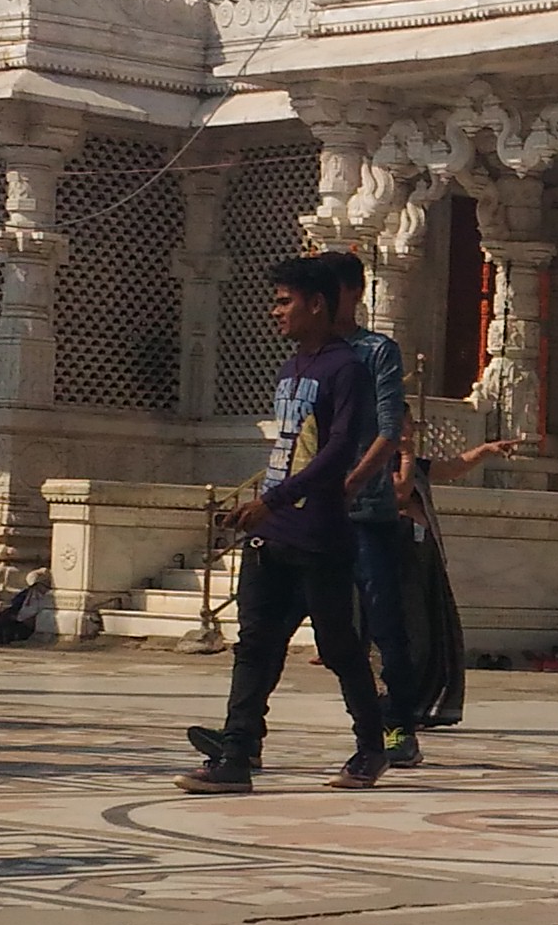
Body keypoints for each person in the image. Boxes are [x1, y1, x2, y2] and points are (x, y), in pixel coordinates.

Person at [174, 253, 393, 792]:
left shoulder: (347, 370)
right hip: (272, 533)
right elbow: (290, 449)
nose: (275, 312)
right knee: (255, 646)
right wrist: (261, 505)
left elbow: (338, 452)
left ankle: (372, 746)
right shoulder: (292, 368)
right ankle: (238, 752)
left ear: (316, 304)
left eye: (283, 301)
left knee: (340, 647)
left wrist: (277, 501)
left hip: (319, 535)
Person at [324, 258, 426, 765]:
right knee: (271, 624)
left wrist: (350, 484)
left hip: (366, 511)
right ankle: (244, 734)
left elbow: (391, 430)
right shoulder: (312, 351)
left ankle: (397, 727)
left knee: (385, 622)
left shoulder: (375, 351)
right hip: (309, 511)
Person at [381, 431, 520, 734]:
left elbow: (450, 468)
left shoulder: (416, 464)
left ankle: (420, 704)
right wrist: (403, 455)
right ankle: (392, 706)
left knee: (433, 634)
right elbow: (400, 494)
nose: (407, 433)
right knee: (408, 635)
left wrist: (485, 450)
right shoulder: (376, 464)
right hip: (396, 555)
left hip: (424, 554)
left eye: (410, 426)